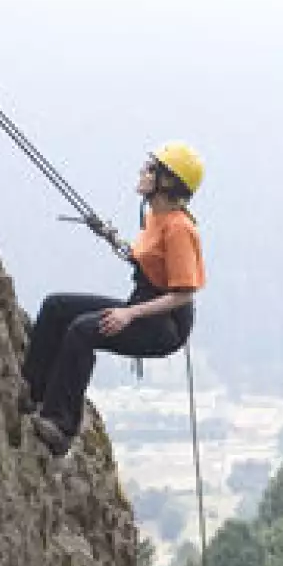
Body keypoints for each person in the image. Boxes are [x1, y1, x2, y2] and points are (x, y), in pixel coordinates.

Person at [20, 141, 207, 457]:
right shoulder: (155, 216)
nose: (142, 172)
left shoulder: (179, 228)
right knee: (56, 307)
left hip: (164, 326)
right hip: (144, 306)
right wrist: (110, 236)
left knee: (83, 330)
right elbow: (145, 258)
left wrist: (130, 315)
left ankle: (61, 427)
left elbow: (183, 293)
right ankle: (32, 391)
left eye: (150, 169)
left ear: (168, 181)